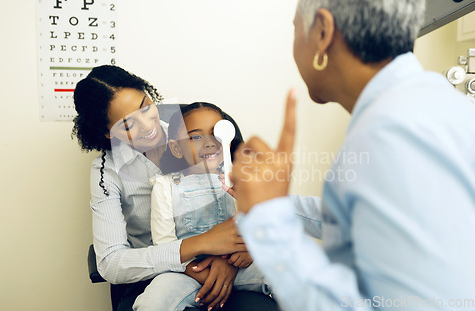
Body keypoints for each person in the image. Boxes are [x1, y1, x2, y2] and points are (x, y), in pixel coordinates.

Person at [229, 0, 475, 310]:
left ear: (322, 32)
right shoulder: (432, 102)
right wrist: (271, 203)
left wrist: (270, 225)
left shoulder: (390, 134)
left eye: (295, 29)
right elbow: (369, 224)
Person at [72, 65, 279, 311]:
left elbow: (251, 197)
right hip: (158, 274)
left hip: (233, 260)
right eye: (128, 125)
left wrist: (230, 257)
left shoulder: (198, 126)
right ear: (108, 133)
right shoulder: (107, 172)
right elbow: (110, 263)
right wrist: (198, 251)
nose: (148, 126)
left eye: (145, 107)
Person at [133, 103, 271, 310]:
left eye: (216, 134)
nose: (209, 143)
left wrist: (250, 250)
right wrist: (202, 273)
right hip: (186, 272)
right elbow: (165, 246)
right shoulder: (164, 187)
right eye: (196, 137)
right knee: (151, 303)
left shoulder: (242, 179)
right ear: (176, 148)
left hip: (240, 264)